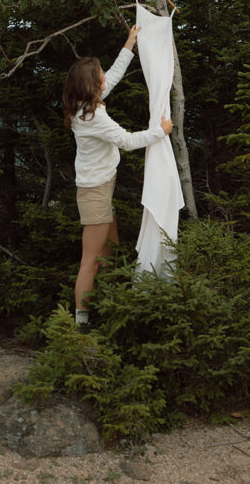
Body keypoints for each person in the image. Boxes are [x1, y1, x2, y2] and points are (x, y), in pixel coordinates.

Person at [63, 24, 173, 326]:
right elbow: (126, 141)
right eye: (98, 74)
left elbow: (112, 76)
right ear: (91, 83)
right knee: (91, 261)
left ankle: (110, 306)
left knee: (110, 250)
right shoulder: (93, 116)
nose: (103, 76)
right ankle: (81, 324)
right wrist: (160, 132)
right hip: (95, 192)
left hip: (99, 188)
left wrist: (129, 44)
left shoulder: (86, 105)